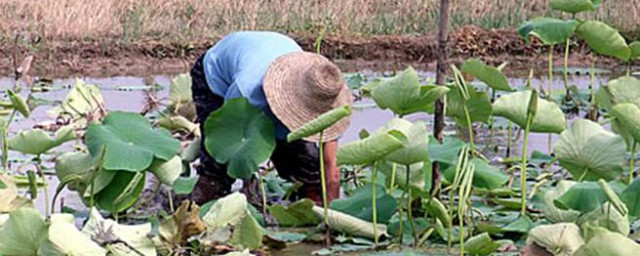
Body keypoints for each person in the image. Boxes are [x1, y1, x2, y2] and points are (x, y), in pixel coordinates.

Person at [189, 31, 353, 206]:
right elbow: (235, 137)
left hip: (276, 53)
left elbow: (330, 166)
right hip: (217, 78)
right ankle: (195, 204)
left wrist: (332, 208)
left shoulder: (325, 96)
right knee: (217, 173)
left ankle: (305, 201)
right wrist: (250, 187)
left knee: (311, 167)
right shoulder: (248, 89)